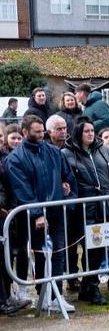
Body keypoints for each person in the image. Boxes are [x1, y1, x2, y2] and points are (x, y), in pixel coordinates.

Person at [6, 115, 76, 313]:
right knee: (40, 254)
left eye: (42, 131)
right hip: (31, 216)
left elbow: (67, 176)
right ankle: (43, 294)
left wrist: (69, 195)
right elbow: (22, 188)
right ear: (25, 132)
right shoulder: (16, 158)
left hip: (55, 211)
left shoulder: (54, 152)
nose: (41, 135)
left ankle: (56, 295)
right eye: (36, 132)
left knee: (59, 252)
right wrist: (36, 213)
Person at [62, 118, 109, 306]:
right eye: (86, 131)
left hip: (105, 204)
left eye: (92, 130)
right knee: (86, 247)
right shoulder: (66, 153)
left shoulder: (104, 150)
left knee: (99, 248)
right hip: (83, 207)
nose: (90, 134)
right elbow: (65, 178)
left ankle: (90, 285)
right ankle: (89, 285)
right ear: (78, 133)